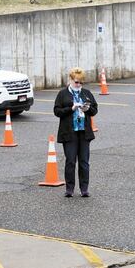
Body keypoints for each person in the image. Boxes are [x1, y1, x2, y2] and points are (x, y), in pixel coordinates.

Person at [53, 68, 98, 197]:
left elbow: (95, 110)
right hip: (69, 132)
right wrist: (71, 109)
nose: (79, 85)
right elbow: (57, 111)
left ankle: (84, 189)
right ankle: (69, 189)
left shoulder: (86, 93)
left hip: (84, 132)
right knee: (70, 161)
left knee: (84, 162)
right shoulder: (62, 94)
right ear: (71, 80)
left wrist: (88, 109)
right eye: (77, 82)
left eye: (81, 82)